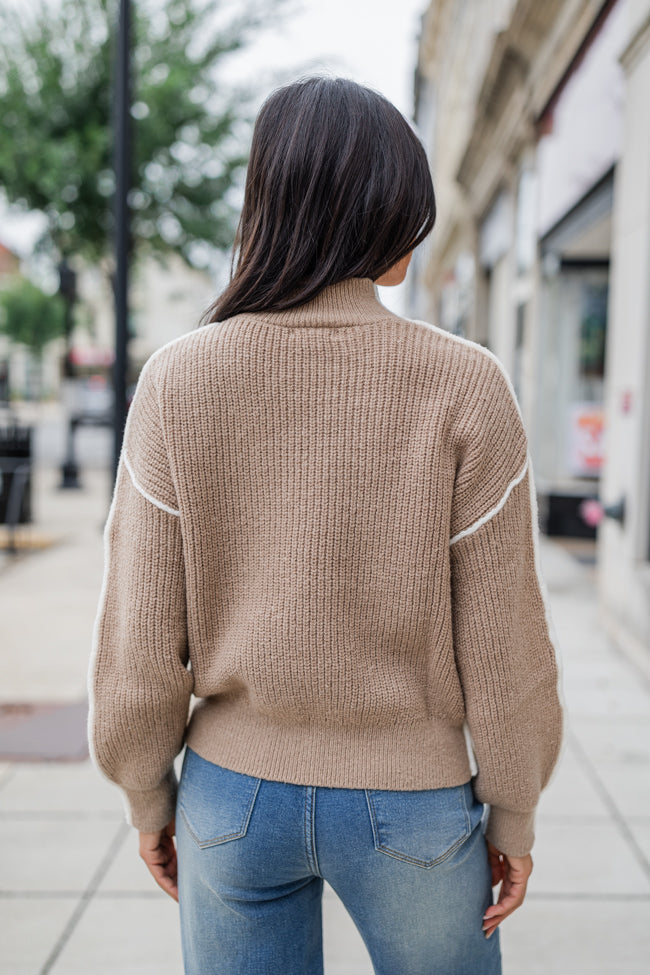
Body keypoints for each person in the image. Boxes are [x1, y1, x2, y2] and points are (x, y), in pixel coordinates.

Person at [88, 75, 563, 975]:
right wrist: (514, 811)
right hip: (413, 804)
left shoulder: (178, 380)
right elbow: (505, 643)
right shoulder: (465, 384)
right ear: (382, 215)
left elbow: (139, 639)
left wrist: (148, 795)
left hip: (231, 802)